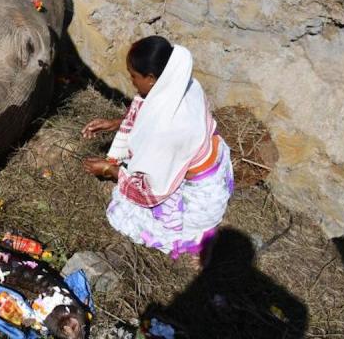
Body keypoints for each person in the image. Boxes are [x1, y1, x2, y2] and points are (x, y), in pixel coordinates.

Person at [82, 36, 233, 262]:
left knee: (124, 213)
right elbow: (151, 110)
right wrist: (117, 124)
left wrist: (109, 170)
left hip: (201, 195)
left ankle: (196, 241)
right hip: (218, 163)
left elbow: (149, 193)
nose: (132, 81)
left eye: (134, 76)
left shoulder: (167, 129)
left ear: (152, 78)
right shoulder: (185, 84)